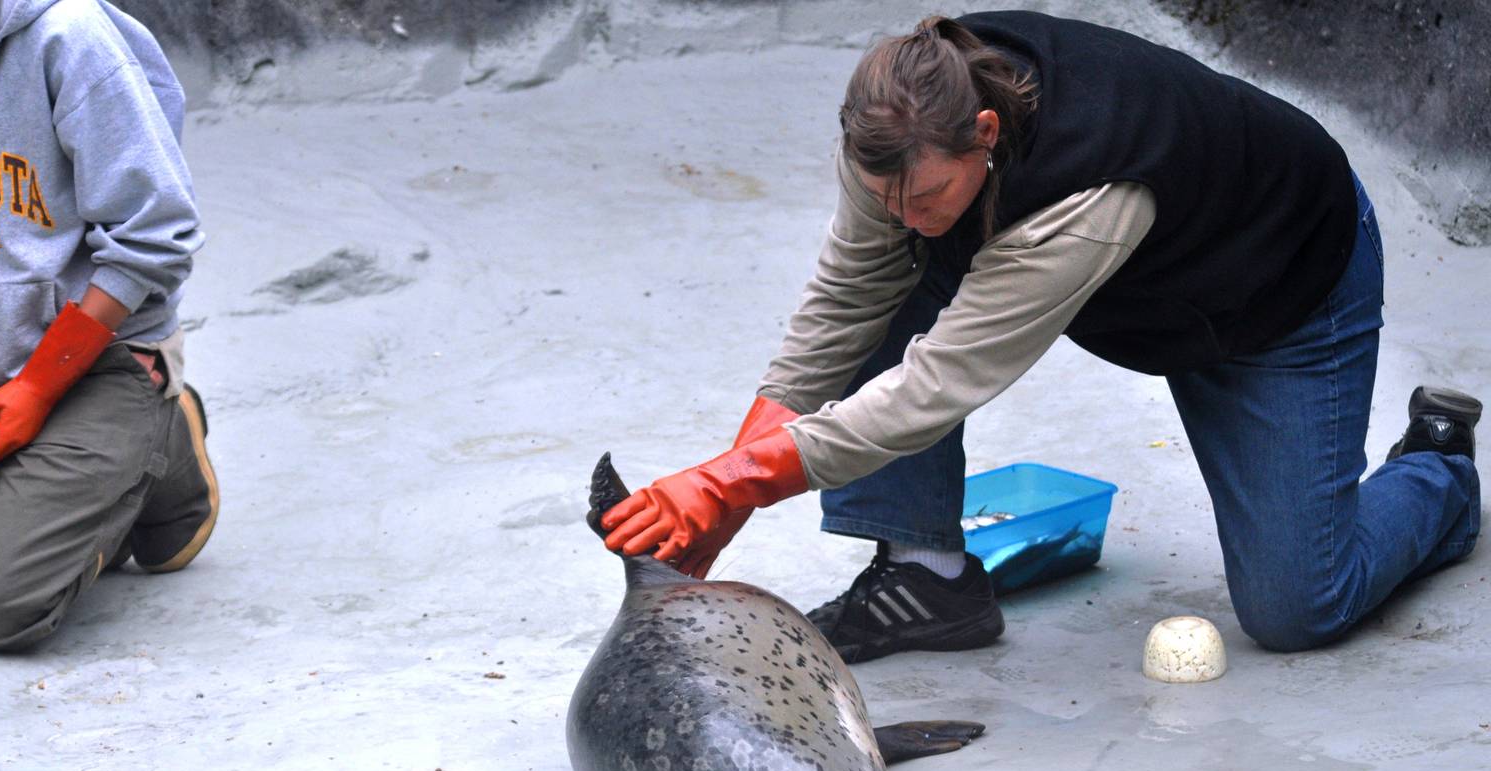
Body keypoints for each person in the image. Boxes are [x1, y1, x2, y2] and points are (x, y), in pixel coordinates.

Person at [601, 11, 1481, 663]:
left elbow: (936, 386)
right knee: (894, 276)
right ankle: (927, 575)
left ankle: (1437, 468)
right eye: (884, 198)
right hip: (1151, 297)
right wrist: (727, 502)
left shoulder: (1091, 186)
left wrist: (728, 484)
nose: (901, 216)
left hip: (1281, 289)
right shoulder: (895, 142)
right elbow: (844, 303)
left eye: (925, 196)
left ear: (985, 135)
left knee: (1298, 608)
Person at [0, 0, 216, 651]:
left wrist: (38, 387)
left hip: (101, 358)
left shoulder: (69, 36)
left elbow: (157, 234)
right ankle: (43, 491)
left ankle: (164, 440)